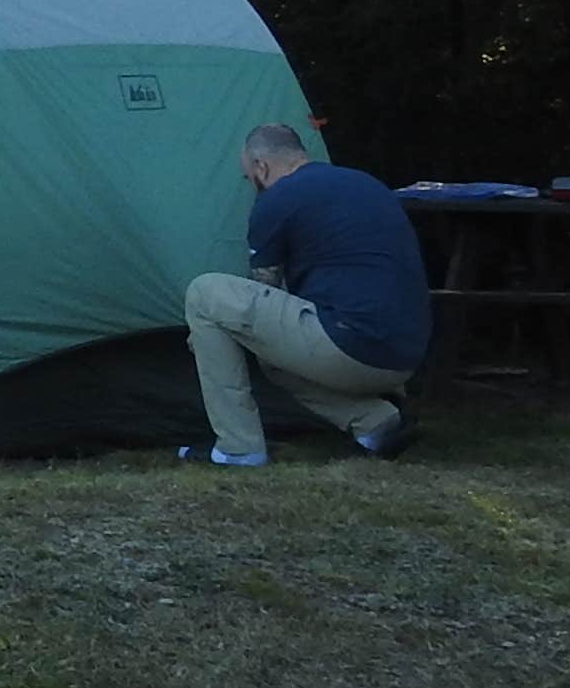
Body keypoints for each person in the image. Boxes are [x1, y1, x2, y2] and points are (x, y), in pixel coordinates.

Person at [179, 123, 426, 466]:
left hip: (350, 348)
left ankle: (238, 448)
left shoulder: (276, 200)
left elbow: (261, 292)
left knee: (204, 293)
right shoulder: (365, 183)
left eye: (248, 176)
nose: (251, 185)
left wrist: (206, 334)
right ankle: (376, 423)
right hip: (405, 355)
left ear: (261, 167)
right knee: (273, 361)